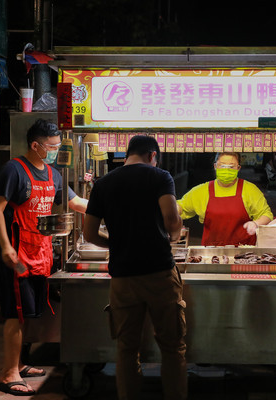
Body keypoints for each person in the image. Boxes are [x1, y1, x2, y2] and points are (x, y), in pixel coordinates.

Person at [83, 135, 186, 400]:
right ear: (153, 155)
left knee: (127, 349)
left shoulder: (103, 184)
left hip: (123, 278)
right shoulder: (160, 177)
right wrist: (172, 238)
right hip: (159, 274)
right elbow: (172, 219)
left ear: (128, 153)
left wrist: (118, 244)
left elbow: (90, 234)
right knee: (173, 347)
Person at [0, 119, 87, 396]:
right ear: (36, 145)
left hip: (39, 253)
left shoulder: (53, 174)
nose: (56, 150)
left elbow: (75, 203)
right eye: (52, 146)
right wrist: (6, 247)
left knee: (29, 314)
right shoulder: (14, 170)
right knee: (15, 316)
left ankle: (19, 364)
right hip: (16, 255)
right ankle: (8, 374)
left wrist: (110, 207)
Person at [177, 152, 273, 246]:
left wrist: (256, 223)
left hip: (243, 253)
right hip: (212, 254)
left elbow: (266, 214)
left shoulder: (250, 190)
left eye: (231, 167)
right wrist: (171, 209)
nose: (226, 170)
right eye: (222, 166)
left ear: (238, 168)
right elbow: (181, 207)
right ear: (215, 166)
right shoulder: (202, 191)